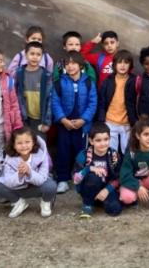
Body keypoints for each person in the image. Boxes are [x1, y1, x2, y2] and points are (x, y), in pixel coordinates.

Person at [51, 52, 97, 194]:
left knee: (81, 152)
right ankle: (63, 180)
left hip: (82, 126)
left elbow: (93, 103)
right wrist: (63, 119)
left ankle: (80, 176)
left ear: (80, 65)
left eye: (73, 63)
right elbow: (55, 102)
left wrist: (83, 120)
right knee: (63, 152)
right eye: (67, 64)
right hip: (65, 125)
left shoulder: (88, 82)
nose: (70, 66)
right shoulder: (60, 82)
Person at [0, 127, 56, 218]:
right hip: (18, 189)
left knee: (51, 186)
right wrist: (19, 174)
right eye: (19, 143)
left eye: (27, 142)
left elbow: (42, 178)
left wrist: (29, 172)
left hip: (36, 188)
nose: (24, 146)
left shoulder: (41, 156)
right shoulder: (9, 159)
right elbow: (8, 181)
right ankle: (19, 202)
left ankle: (45, 202)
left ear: (33, 142)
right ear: (14, 145)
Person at [73, 122, 123, 218]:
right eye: (98, 140)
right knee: (94, 177)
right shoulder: (83, 155)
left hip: (106, 188)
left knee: (115, 209)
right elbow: (76, 180)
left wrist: (107, 190)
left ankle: (98, 201)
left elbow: (119, 177)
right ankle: (87, 204)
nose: (103, 143)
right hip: (88, 187)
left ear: (110, 139)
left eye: (106, 139)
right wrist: (89, 168)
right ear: (91, 141)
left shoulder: (114, 155)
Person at [96, 50, 135, 154]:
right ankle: (113, 165)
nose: (123, 65)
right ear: (114, 65)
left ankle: (126, 165)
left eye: (126, 62)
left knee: (128, 152)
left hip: (127, 123)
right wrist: (101, 120)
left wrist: (135, 121)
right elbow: (102, 101)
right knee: (111, 152)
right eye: (119, 62)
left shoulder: (135, 81)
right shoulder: (108, 81)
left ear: (130, 65)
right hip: (110, 122)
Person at [14, 42, 52, 138]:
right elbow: (16, 95)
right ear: (26, 55)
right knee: (25, 141)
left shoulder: (46, 75)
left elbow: (50, 100)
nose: (35, 57)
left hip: (40, 119)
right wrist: (18, 117)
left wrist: (46, 122)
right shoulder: (19, 73)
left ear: (42, 56)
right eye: (32, 54)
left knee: (40, 143)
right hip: (24, 118)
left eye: (38, 54)